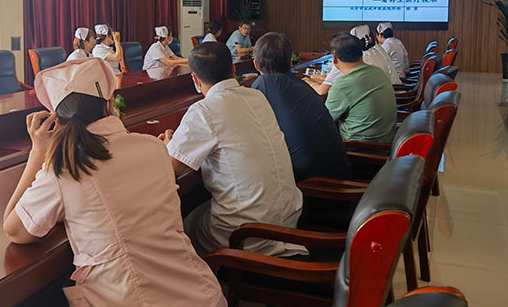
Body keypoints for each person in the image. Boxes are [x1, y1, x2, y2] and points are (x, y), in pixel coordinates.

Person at [3, 58, 226, 307]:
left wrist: (38, 153)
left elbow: (14, 230)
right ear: (111, 102)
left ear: (56, 119)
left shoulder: (64, 169)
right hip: (208, 304)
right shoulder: (153, 148)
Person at [161, 41, 304, 257]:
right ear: (233, 69)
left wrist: (167, 147)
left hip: (246, 235)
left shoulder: (204, 110)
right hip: (288, 221)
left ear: (195, 79)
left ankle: (214, 275)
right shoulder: (257, 96)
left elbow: (170, 170)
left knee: (182, 225)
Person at [251, 32, 350, 182]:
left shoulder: (264, 82)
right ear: (291, 62)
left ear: (256, 65)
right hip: (340, 173)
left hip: (312, 184)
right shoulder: (302, 85)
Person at [325, 33, 398, 143]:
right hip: (387, 140)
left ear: (334, 58)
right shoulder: (378, 72)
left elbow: (324, 120)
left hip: (359, 147)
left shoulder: (342, 86)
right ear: (361, 54)